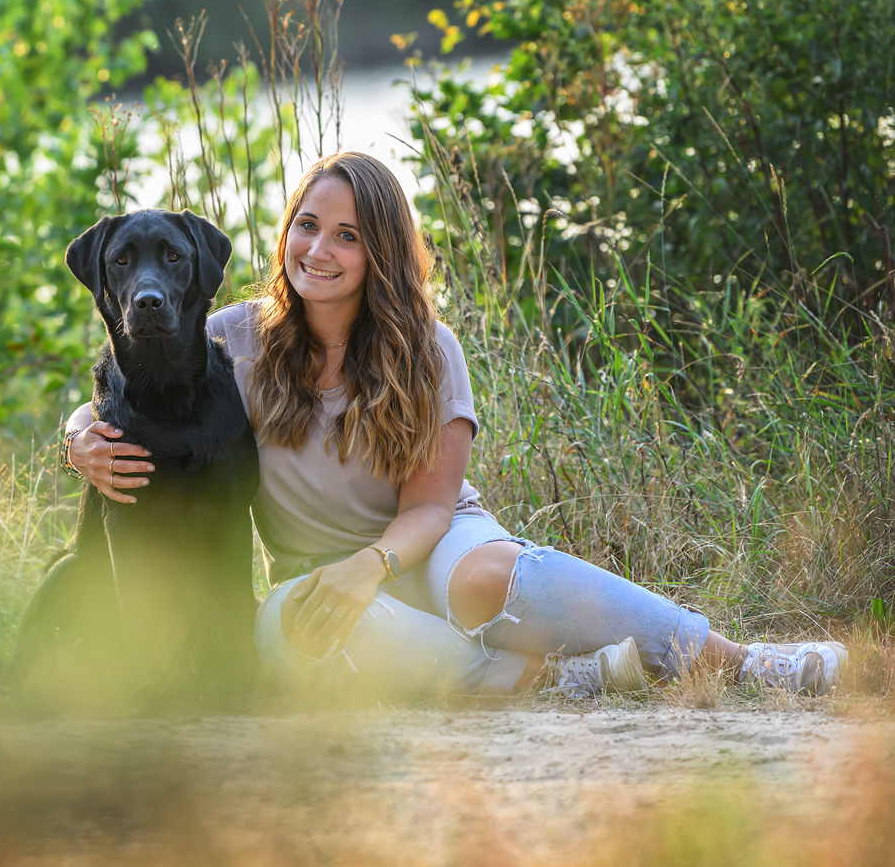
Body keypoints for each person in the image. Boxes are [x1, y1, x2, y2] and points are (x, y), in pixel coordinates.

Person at [61, 151, 846, 699]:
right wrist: (77, 435)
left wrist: (371, 565)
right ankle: (549, 677)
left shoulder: (428, 348)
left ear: (381, 252)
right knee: (286, 633)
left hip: (432, 544)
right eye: (307, 225)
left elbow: (432, 509)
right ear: (285, 233)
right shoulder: (236, 336)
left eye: (348, 235)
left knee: (484, 580)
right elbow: (124, 373)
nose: (319, 250)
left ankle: (748, 664)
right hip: (316, 569)